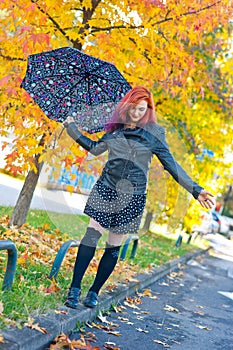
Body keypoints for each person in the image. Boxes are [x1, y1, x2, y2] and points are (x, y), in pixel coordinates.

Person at [63, 86, 214, 309]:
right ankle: (74, 289)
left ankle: (94, 292)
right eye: (133, 108)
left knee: (113, 246)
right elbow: (95, 149)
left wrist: (195, 190)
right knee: (91, 236)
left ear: (148, 109)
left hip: (132, 196)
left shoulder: (154, 134)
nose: (136, 113)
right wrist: (72, 129)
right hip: (106, 188)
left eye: (141, 109)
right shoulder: (115, 130)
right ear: (127, 107)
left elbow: (171, 164)